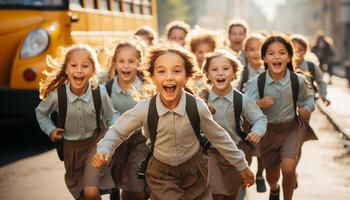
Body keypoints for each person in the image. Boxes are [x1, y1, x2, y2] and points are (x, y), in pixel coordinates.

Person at [91, 43, 255, 200]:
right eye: (161, 71)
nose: (169, 77)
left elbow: (219, 137)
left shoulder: (196, 107)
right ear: (153, 77)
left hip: (195, 172)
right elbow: (118, 130)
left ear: (186, 76)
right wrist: (105, 147)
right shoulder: (146, 109)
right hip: (161, 173)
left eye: (176, 71)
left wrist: (242, 165)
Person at [35, 44, 118, 200]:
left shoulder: (99, 92)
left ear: (93, 71)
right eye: (74, 65)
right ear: (66, 69)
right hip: (71, 151)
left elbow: (110, 116)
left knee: (91, 192)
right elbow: (41, 112)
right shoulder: (57, 95)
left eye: (85, 66)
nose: (79, 70)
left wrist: (114, 133)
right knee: (83, 195)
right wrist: (50, 130)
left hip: (95, 145)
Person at [245, 34, 315, 200]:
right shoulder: (258, 82)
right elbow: (244, 106)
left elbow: (308, 98)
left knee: (289, 168)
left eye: (282, 52)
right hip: (267, 132)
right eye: (271, 53)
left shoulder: (298, 80)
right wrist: (259, 104)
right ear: (264, 58)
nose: (276, 56)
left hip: (290, 129)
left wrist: (307, 108)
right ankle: (274, 188)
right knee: (272, 176)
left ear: (289, 57)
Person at [202, 49, 267, 200]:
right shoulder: (202, 99)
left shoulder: (241, 100)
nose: (220, 73)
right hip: (210, 152)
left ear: (234, 73)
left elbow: (260, 118)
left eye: (225, 69)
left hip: (235, 152)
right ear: (207, 74)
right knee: (216, 193)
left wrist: (257, 131)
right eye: (214, 69)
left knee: (230, 195)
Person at [106, 40, 152, 200]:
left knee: (134, 183)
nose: (126, 65)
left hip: (141, 139)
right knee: (117, 180)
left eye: (131, 61)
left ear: (139, 63)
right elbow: (105, 114)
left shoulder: (147, 88)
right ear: (114, 63)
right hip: (116, 141)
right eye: (121, 61)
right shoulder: (107, 88)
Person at [292, 34, 331, 106]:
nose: (296, 53)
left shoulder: (311, 66)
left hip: (307, 102)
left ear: (305, 51)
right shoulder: (283, 66)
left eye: (300, 50)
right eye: (294, 49)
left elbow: (321, 81)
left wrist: (323, 96)